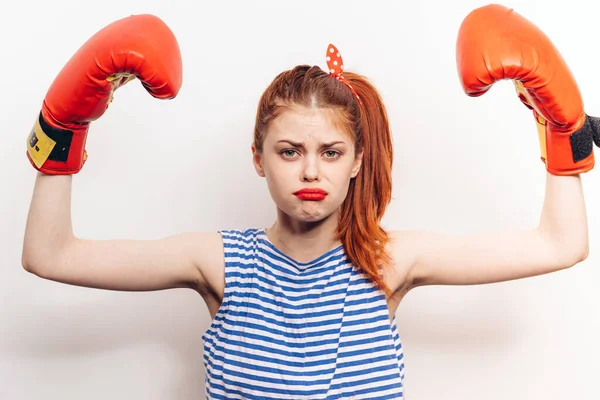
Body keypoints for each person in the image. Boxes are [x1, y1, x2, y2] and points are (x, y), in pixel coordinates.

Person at [21, 4, 593, 400]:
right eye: (290, 151)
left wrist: (564, 133)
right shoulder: (220, 262)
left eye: (332, 151)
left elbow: (560, 244)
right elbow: (51, 255)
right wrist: (61, 129)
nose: (312, 171)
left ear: (358, 161)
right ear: (258, 157)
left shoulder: (387, 262)